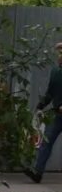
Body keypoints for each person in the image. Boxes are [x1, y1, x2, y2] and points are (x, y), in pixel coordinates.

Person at [29, 39, 62, 183]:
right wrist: (39, 106)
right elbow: (50, 92)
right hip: (57, 113)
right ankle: (37, 172)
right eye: (59, 52)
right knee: (46, 141)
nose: (60, 55)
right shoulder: (55, 71)